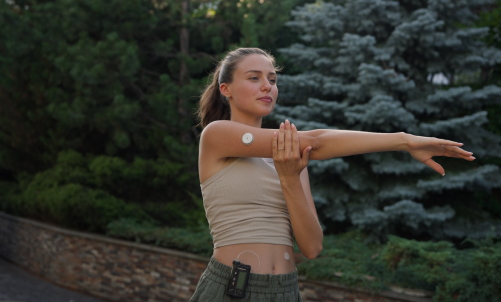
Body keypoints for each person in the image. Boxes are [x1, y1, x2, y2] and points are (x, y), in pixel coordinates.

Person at [189, 47, 475, 301]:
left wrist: (290, 180)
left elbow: (312, 247)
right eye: (254, 78)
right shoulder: (217, 135)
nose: (267, 86)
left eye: (273, 79)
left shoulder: (292, 161)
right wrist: (404, 140)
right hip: (233, 288)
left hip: (285, 291)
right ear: (225, 89)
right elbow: (319, 140)